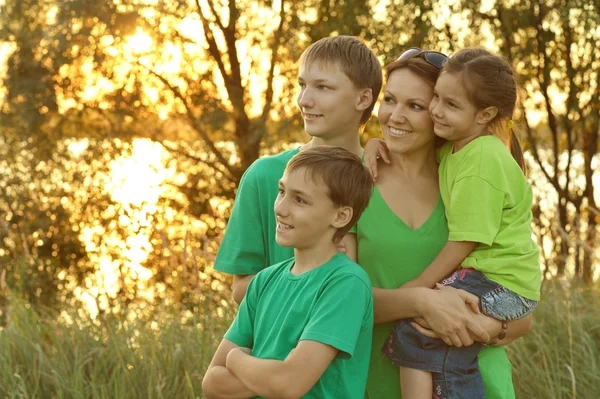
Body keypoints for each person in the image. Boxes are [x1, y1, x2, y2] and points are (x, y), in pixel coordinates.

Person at [344, 48, 535, 399]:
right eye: (389, 99)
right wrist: (423, 303)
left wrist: (475, 327)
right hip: (377, 385)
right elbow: (339, 302)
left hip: (484, 384)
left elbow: (523, 319)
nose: (396, 116)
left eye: (415, 105)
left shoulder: (468, 171)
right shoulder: (354, 183)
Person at [213, 35, 382, 304]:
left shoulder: (385, 176)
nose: (304, 100)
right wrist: (311, 270)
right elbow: (241, 290)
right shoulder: (265, 175)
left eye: (323, 87)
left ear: (363, 99)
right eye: (302, 85)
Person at [202, 146, 375, 399]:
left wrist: (236, 359)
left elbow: (288, 385)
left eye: (300, 200)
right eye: (281, 191)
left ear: (340, 216)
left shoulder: (346, 283)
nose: (280, 209)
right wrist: (273, 375)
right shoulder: (264, 281)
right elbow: (212, 384)